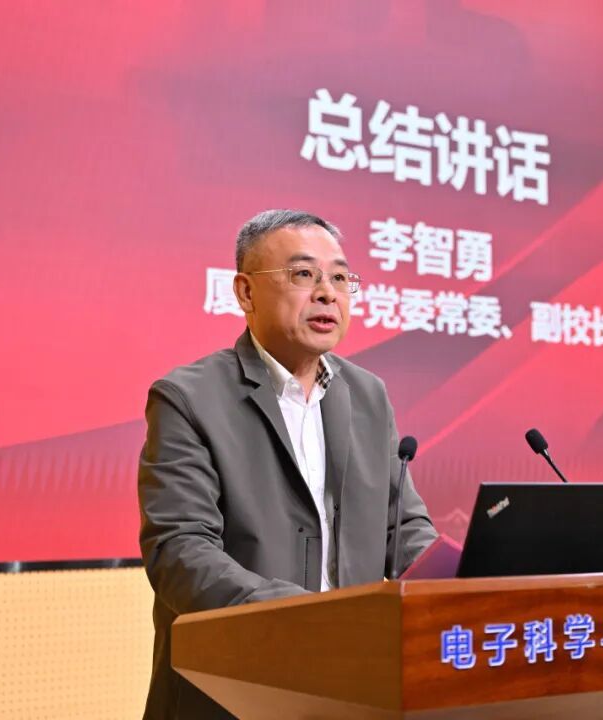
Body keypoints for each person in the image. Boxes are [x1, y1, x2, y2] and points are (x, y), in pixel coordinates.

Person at [138, 209, 436, 719]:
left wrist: (465, 588)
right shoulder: (188, 398)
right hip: (233, 689)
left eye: (339, 278)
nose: (327, 294)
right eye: (303, 274)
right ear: (245, 292)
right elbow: (180, 552)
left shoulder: (367, 395)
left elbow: (402, 528)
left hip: (352, 685)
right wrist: (302, 619)